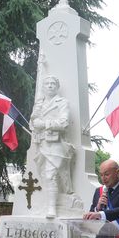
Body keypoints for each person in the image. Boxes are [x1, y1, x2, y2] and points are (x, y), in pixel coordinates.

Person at [30, 75, 75, 218]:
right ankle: (51, 203)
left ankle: (52, 209)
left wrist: (44, 124)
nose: (49, 86)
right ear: (43, 87)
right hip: (41, 144)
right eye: (47, 83)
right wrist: (35, 123)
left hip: (55, 144)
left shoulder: (62, 102)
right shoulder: (39, 104)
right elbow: (33, 123)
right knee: (44, 176)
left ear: (57, 87)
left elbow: (64, 123)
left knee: (50, 175)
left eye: (53, 83)